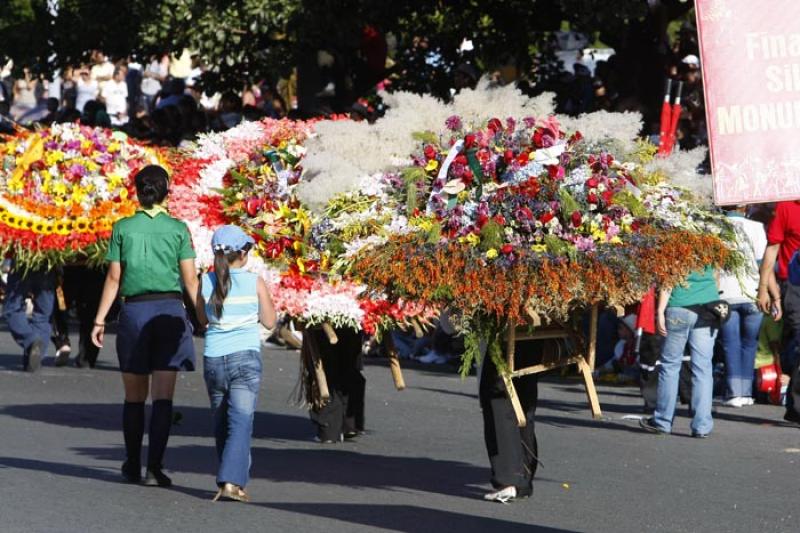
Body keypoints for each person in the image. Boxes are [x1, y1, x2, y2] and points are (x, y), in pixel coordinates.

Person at [91, 165, 199, 487]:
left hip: (134, 313)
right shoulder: (179, 229)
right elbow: (190, 280)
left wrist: (99, 319)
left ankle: (132, 463)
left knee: (134, 397)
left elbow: (114, 277)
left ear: (137, 191)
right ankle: (155, 467)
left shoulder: (123, 227)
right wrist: (205, 318)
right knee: (163, 396)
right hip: (169, 312)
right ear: (167, 191)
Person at [194, 225, 276, 503]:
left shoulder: (205, 282)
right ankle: (230, 482)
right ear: (242, 254)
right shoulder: (255, 282)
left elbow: (202, 321)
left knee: (221, 421)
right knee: (241, 420)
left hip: (214, 357)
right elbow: (269, 321)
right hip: (245, 356)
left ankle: (232, 479)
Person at [640, 267, 722, 438]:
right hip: (708, 308)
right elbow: (716, 275)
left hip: (680, 305)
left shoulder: (678, 241)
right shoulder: (711, 242)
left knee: (670, 366)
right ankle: (702, 425)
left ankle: (663, 421)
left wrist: (661, 310)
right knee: (703, 369)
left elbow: (669, 276)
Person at [718, 206, 767, 407]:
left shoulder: (715, 227)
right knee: (750, 344)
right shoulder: (756, 227)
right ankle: (746, 393)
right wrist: (771, 293)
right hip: (753, 292)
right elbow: (764, 263)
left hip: (725, 295)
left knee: (730, 344)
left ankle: (733, 392)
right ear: (744, 206)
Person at [757, 200, 800, 423]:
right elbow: (772, 248)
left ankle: (795, 406)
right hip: (793, 286)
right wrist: (763, 289)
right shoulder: (786, 207)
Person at [2, 262, 55, 372]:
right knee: (43, 315)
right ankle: (35, 357)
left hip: (23, 261)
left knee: (12, 308)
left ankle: (31, 340)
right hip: (48, 261)